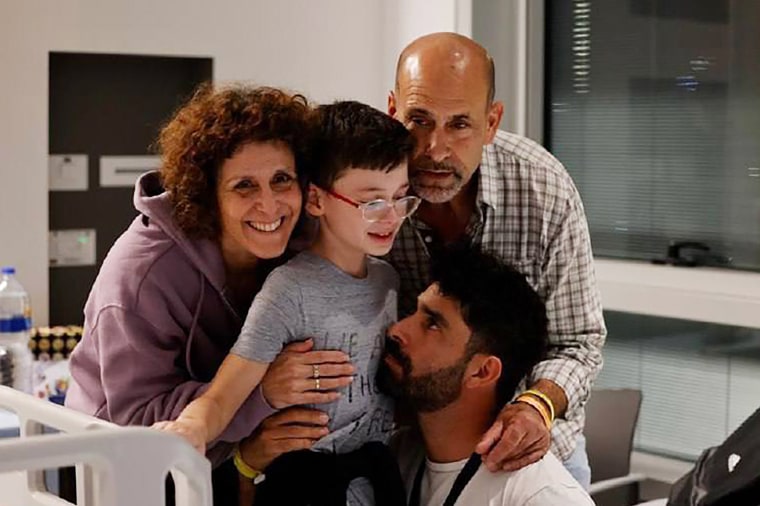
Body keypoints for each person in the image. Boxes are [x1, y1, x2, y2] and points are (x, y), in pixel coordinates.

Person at [64, 84, 353, 504]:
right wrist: (262, 392)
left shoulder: (302, 242)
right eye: (244, 186)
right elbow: (136, 425)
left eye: (281, 180)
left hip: (227, 462)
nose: (270, 205)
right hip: (120, 473)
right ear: (208, 195)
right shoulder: (142, 275)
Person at [155, 100, 419, 506]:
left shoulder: (388, 279)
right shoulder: (289, 290)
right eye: (372, 203)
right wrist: (191, 427)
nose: (391, 217)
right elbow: (224, 395)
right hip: (303, 488)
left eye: (401, 198)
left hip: (376, 481)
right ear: (316, 200)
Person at [386, 32, 606, 487]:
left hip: (532, 454)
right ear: (392, 111)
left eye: (460, 124)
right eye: (419, 120)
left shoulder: (542, 189)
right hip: (411, 453)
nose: (435, 149)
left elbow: (578, 342)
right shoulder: (365, 190)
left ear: (491, 121)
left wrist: (535, 406)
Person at [379, 245, 594, 505]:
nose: (397, 330)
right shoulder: (398, 456)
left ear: (482, 372)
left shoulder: (541, 496)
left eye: (433, 324)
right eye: (414, 312)